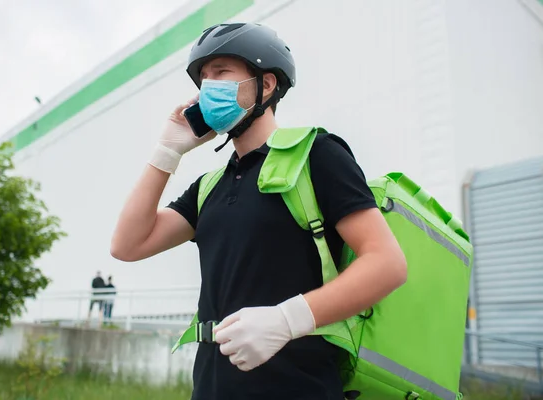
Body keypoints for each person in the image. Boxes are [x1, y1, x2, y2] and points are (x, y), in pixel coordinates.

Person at [111, 22, 407, 400]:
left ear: (266, 85)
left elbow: (387, 263)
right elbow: (127, 245)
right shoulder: (209, 187)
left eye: (221, 72)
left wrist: (286, 320)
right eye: (202, 79)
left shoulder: (316, 155)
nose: (207, 88)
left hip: (300, 388)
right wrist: (168, 151)